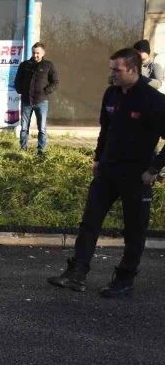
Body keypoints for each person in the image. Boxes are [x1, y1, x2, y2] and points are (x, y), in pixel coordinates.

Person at [48, 48, 165, 298]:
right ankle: (77, 273)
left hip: (137, 175)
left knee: (135, 230)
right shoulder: (111, 94)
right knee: (90, 222)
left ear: (133, 69)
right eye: (111, 69)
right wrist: (98, 158)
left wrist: (154, 169)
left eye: (117, 70)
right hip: (108, 171)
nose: (112, 74)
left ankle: (124, 279)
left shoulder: (153, 100)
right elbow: (106, 130)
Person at [14, 42, 58, 155]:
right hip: (26, 101)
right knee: (24, 128)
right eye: (34, 53)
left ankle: (41, 150)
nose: (35, 55)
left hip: (41, 101)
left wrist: (46, 91)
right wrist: (21, 91)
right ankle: (23, 149)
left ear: (43, 53)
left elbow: (55, 82)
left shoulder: (48, 65)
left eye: (38, 53)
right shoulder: (24, 65)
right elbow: (17, 80)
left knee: (42, 128)